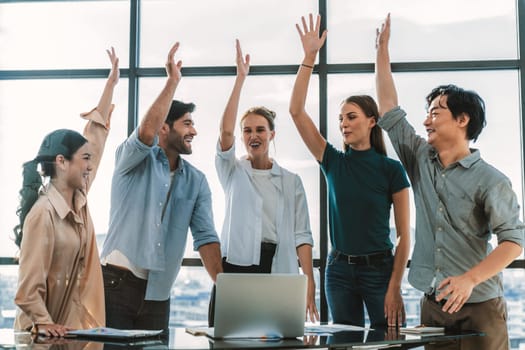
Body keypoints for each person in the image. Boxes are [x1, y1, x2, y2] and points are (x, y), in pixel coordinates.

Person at [375, 14, 524, 349]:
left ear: (462, 120)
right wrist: (381, 53)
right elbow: (388, 109)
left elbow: (513, 242)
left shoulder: (492, 180)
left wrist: (470, 280)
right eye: (427, 112)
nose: (426, 120)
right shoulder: (418, 159)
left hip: (480, 307)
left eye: (435, 112)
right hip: (433, 306)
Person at [289, 14, 411, 328]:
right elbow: (296, 111)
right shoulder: (332, 161)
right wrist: (309, 59)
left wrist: (395, 286)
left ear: (373, 121)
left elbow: (404, 236)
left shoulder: (392, 170)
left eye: (352, 116)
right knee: (342, 343)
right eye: (341, 118)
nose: (343, 123)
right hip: (338, 271)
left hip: (380, 271)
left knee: (390, 341)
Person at [100, 42, 222, 334]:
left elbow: (205, 237)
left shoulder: (197, 181)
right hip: (115, 286)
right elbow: (145, 133)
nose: (194, 131)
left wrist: (229, 289)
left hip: (158, 295)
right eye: (187, 123)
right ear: (165, 128)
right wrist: (172, 82)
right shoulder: (132, 159)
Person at [208, 40, 319, 326]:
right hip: (236, 267)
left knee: (277, 338)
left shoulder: (291, 182)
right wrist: (240, 79)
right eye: (247, 131)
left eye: (260, 129)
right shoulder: (232, 171)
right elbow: (225, 131)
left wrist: (308, 281)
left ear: (272, 135)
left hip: (278, 267)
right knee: (231, 339)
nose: (252, 135)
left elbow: (302, 236)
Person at [13, 48, 119, 337]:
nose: (90, 164)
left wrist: (111, 85)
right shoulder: (42, 215)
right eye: (84, 159)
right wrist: (44, 322)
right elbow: (26, 290)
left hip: (69, 333)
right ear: (62, 162)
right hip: (42, 336)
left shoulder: (79, 199)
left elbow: (95, 137)